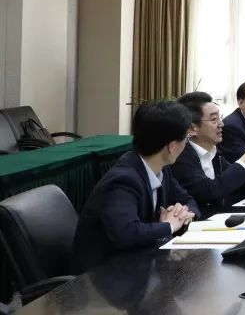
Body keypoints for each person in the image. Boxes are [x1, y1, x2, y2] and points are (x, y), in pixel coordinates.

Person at [74, 101, 200, 272]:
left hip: (139, 263)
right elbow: (126, 233)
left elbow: (188, 200)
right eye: (186, 138)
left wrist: (182, 214)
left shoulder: (161, 169)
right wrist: (169, 225)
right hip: (104, 275)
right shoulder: (123, 180)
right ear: (171, 146)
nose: (186, 143)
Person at [173, 92, 245, 217]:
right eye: (214, 119)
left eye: (220, 117)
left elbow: (236, 184)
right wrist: (244, 160)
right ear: (192, 129)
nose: (221, 124)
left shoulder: (214, 153)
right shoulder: (181, 157)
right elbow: (210, 191)